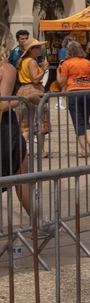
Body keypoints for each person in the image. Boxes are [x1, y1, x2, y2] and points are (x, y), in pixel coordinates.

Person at [0, 24, 32, 219]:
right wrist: (25, 99)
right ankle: (37, 225)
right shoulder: (6, 68)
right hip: (5, 129)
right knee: (23, 180)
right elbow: (3, 103)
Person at [57, 40, 90, 158]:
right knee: (85, 120)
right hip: (89, 92)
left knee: (78, 122)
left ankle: (83, 150)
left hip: (74, 92)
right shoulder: (87, 62)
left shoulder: (67, 63)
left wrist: (57, 71)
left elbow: (61, 82)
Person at [15, 37, 50, 158]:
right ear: (31, 49)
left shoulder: (22, 61)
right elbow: (35, 79)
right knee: (39, 122)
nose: (40, 49)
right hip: (34, 91)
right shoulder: (32, 61)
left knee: (24, 124)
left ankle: (19, 149)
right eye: (37, 47)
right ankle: (40, 151)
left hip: (23, 91)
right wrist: (44, 69)